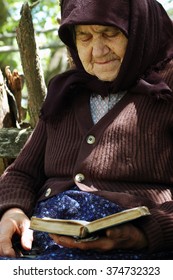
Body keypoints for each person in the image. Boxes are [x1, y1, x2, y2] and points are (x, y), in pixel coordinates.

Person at [0, 0, 173, 260]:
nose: (98, 50)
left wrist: (147, 232)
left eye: (110, 33)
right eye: (85, 36)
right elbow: (22, 172)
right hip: (40, 238)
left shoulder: (167, 90)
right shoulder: (67, 92)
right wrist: (12, 211)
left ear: (140, 31)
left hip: (133, 250)